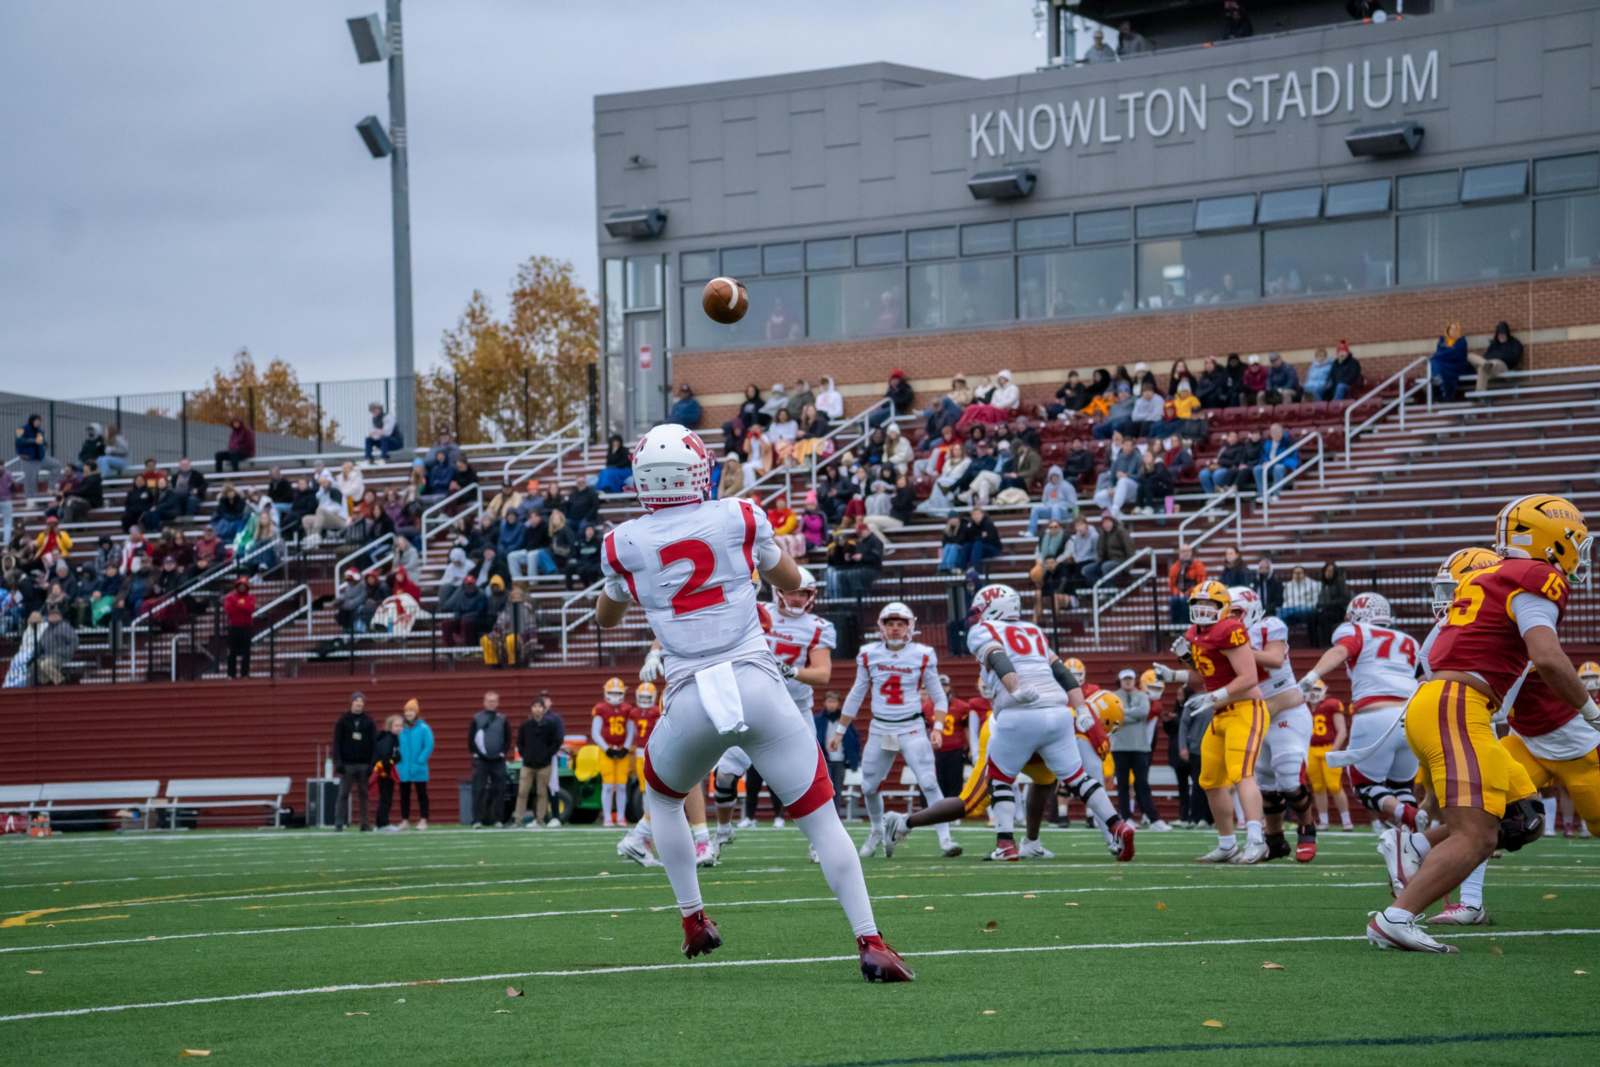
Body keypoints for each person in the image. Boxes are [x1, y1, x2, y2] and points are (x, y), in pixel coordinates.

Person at [594, 423, 911, 979]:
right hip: (758, 684)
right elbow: (787, 577)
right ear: (699, 471)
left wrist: (624, 589)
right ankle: (871, 940)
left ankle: (693, 918)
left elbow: (607, 617)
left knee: (663, 798)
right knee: (822, 819)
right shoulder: (738, 516)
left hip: (692, 694)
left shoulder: (623, 544)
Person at [1369, 500, 1592, 953]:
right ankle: (1396, 917)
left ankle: (1414, 850)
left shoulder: (1486, 577)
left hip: (1449, 704)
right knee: (1476, 835)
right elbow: (1548, 657)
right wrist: (1592, 710)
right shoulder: (1536, 576)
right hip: (1459, 704)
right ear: (1555, 540)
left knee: (1521, 817)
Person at [880, 584, 1135, 862]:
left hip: (1017, 715)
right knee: (1076, 778)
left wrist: (1015, 688)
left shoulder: (984, 630)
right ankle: (1117, 825)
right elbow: (1061, 671)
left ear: (993, 608)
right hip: (1057, 713)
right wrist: (1081, 709)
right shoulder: (1034, 630)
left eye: (980, 610)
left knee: (1004, 780)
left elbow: (997, 656)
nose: (976, 616)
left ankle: (1008, 843)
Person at [832, 602, 961, 860]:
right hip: (882, 729)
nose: (895, 628)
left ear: (909, 626)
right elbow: (857, 693)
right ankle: (877, 830)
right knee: (869, 786)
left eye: (900, 624)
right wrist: (840, 730)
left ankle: (945, 839)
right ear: (882, 626)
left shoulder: (922, 654)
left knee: (928, 781)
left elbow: (939, 696)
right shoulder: (868, 654)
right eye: (890, 623)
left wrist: (937, 727)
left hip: (911, 727)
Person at [1154, 580, 1268, 863]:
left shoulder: (1230, 628)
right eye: (1198, 603)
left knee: (1242, 774)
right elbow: (1204, 675)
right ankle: (1227, 844)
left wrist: (1216, 695)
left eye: (1210, 604)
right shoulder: (1194, 633)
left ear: (1224, 607)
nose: (1203, 609)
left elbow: (1249, 677)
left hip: (1245, 708)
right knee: (1210, 780)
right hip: (1220, 713)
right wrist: (1174, 674)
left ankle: (1257, 840)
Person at [1298, 592, 1423, 838]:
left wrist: (1310, 677)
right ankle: (1412, 838)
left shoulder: (1356, 631)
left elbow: (1339, 652)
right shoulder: (1409, 640)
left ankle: (1408, 815)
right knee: (1401, 786)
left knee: (1365, 786)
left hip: (1376, 713)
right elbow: (1424, 679)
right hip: (1413, 716)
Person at [1229, 586, 1318, 861]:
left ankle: (1307, 828)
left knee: (1290, 779)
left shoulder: (1268, 626)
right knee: (1266, 785)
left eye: (1235, 612)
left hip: (1286, 713)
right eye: (1226, 613)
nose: (1230, 618)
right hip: (1254, 714)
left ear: (1252, 610)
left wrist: (1236, 649)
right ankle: (1275, 840)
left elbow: (1275, 658)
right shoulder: (1223, 637)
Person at [1110, 668, 1166, 829]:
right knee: (1122, 784)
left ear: (1135, 680)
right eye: (1125, 679)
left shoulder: (1142, 696)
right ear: (1120, 680)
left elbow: (1143, 712)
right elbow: (1114, 715)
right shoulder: (1113, 696)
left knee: (1142, 783)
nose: (1128, 682)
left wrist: (1123, 713)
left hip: (1140, 746)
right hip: (1119, 746)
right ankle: (1126, 816)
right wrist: (1130, 715)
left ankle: (1153, 818)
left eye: (1130, 679)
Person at [1304, 680, 1353, 831]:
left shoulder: (1331, 704)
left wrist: (1333, 750)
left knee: (1334, 785)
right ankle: (1324, 821)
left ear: (1324, 690)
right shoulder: (1303, 707)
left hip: (1329, 747)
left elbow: (1342, 731)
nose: (1313, 692)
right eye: (1311, 689)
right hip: (1311, 749)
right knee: (1317, 787)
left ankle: (1346, 821)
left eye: (1317, 689)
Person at [514, 696, 565, 828]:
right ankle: (518, 819)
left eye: (539, 707)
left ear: (544, 709)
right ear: (531, 709)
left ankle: (540, 819)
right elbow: (520, 742)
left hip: (544, 765)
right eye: (535, 706)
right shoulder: (525, 725)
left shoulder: (550, 725)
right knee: (522, 792)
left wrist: (547, 755)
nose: (537, 709)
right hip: (527, 765)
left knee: (542, 793)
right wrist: (525, 755)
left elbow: (557, 741)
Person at [591, 677, 635, 827]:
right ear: (606, 692)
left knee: (622, 786)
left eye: (618, 693)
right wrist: (607, 748)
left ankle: (621, 817)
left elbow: (631, 730)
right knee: (608, 786)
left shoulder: (627, 709)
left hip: (622, 749)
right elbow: (595, 732)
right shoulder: (600, 709)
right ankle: (607, 817)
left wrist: (626, 748)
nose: (615, 696)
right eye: (612, 693)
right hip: (606, 751)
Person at [332, 692, 376, 831]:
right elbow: (337, 743)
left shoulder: (369, 722)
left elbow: (374, 744)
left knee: (364, 795)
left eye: (361, 702)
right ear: (351, 703)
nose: (359, 704)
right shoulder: (342, 721)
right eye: (357, 701)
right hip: (347, 765)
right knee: (343, 794)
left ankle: (364, 824)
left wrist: (372, 764)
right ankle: (339, 823)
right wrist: (338, 762)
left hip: (364, 764)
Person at [469, 691, 511, 828]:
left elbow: (508, 739)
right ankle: (477, 820)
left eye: (494, 701)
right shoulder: (476, 718)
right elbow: (471, 740)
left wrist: (502, 753)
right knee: (478, 790)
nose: (491, 703)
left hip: (498, 761)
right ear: (484, 702)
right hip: (481, 761)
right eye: (489, 701)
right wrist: (477, 754)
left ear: (497, 703)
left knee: (499, 790)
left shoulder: (503, 719)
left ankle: (498, 820)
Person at [394, 698, 433, 830]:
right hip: (403, 767)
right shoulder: (401, 729)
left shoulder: (424, 728)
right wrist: (397, 760)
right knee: (404, 795)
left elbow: (429, 745)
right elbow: (395, 745)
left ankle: (423, 820)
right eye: (406, 710)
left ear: (416, 712)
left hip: (419, 767)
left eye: (411, 710)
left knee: (422, 794)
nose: (408, 713)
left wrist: (420, 760)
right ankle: (405, 820)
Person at [1469, 320, 1523, 397]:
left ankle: (1479, 393)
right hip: (1488, 363)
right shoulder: (1494, 344)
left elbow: (1514, 357)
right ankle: (1485, 365)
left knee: (1488, 365)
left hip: (1502, 365)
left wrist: (1499, 356)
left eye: (1503, 334)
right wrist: (1488, 360)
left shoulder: (1514, 343)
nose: (1501, 336)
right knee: (1470, 356)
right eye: (1499, 334)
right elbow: (1486, 356)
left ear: (1507, 333)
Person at [14, 414, 63, 497]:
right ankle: (30, 499)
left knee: (57, 465)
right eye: (37, 421)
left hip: (41, 458)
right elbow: (18, 441)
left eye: (40, 421)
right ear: (32, 421)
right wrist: (33, 441)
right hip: (29, 459)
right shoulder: (21, 429)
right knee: (31, 481)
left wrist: (45, 444)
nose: (38, 423)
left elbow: (41, 441)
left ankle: (51, 488)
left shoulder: (40, 430)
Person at [1252, 423, 1301, 503]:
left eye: (1277, 431)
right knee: (1257, 469)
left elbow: (1293, 459)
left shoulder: (1288, 442)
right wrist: (1264, 462)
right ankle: (1262, 495)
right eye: (1273, 432)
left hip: (1284, 467)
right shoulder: (1267, 442)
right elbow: (1263, 456)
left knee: (1278, 467)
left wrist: (1277, 462)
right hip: (1269, 467)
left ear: (1281, 432)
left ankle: (1276, 495)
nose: (1275, 433)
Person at [1093, 437, 1141, 516]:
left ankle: (1115, 509)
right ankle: (1115, 512)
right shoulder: (1118, 459)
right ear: (1122, 446)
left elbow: (1141, 476)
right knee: (1098, 497)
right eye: (1126, 445)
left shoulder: (1138, 457)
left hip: (1134, 488)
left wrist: (1127, 475)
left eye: (1130, 445)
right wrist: (1110, 487)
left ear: (1133, 447)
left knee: (1123, 480)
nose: (1128, 447)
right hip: (1119, 488)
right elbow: (1111, 478)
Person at [371, 714, 402, 829]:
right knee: (386, 798)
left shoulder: (394, 738)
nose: (399, 728)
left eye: (400, 726)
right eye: (396, 726)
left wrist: (396, 758)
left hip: (386, 770)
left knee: (386, 798)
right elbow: (385, 756)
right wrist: (394, 760)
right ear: (390, 727)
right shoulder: (388, 739)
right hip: (384, 772)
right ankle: (383, 823)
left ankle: (380, 823)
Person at [34, 606, 77, 685]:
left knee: (45, 664)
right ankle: (46, 682)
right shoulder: (47, 629)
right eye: (50, 615)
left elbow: (74, 642)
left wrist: (64, 652)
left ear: (60, 616)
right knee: (35, 663)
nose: (52, 617)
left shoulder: (65, 627)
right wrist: (36, 653)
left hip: (61, 656)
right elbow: (40, 643)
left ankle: (60, 680)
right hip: (48, 655)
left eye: (55, 615)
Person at [222, 577, 255, 678]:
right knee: (232, 651)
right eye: (240, 586)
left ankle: (245, 674)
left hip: (246, 627)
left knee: (246, 652)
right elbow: (229, 610)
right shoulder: (230, 597)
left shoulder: (250, 597)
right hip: (234, 627)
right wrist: (242, 606)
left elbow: (250, 609)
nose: (242, 588)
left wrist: (236, 605)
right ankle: (231, 674)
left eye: (244, 586)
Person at [1430, 322, 1470, 402]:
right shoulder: (1442, 341)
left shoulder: (1461, 341)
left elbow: (1456, 354)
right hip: (1443, 364)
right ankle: (1438, 381)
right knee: (1434, 362)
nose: (1453, 331)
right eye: (1451, 329)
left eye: (1455, 329)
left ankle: (1439, 382)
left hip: (1456, 365)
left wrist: (1443, 354)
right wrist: (1445, 353)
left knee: (1436, 361)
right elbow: (1440, 352)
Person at [1167, 544, 1206, 624]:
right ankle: (1175, 627)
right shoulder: (1175, 567)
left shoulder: (1198, 565)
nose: (1185, 553)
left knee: (1186, 601)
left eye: (1187, 551)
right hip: (1178, 594)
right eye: (1183, 551)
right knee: (1173, 601)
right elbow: (1171, 584)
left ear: (1191, 552)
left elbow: (1201, 583)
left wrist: (1189, 592)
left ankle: (1188, 625)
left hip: (1194, 594)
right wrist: (1178, 593)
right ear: (1179, 553)